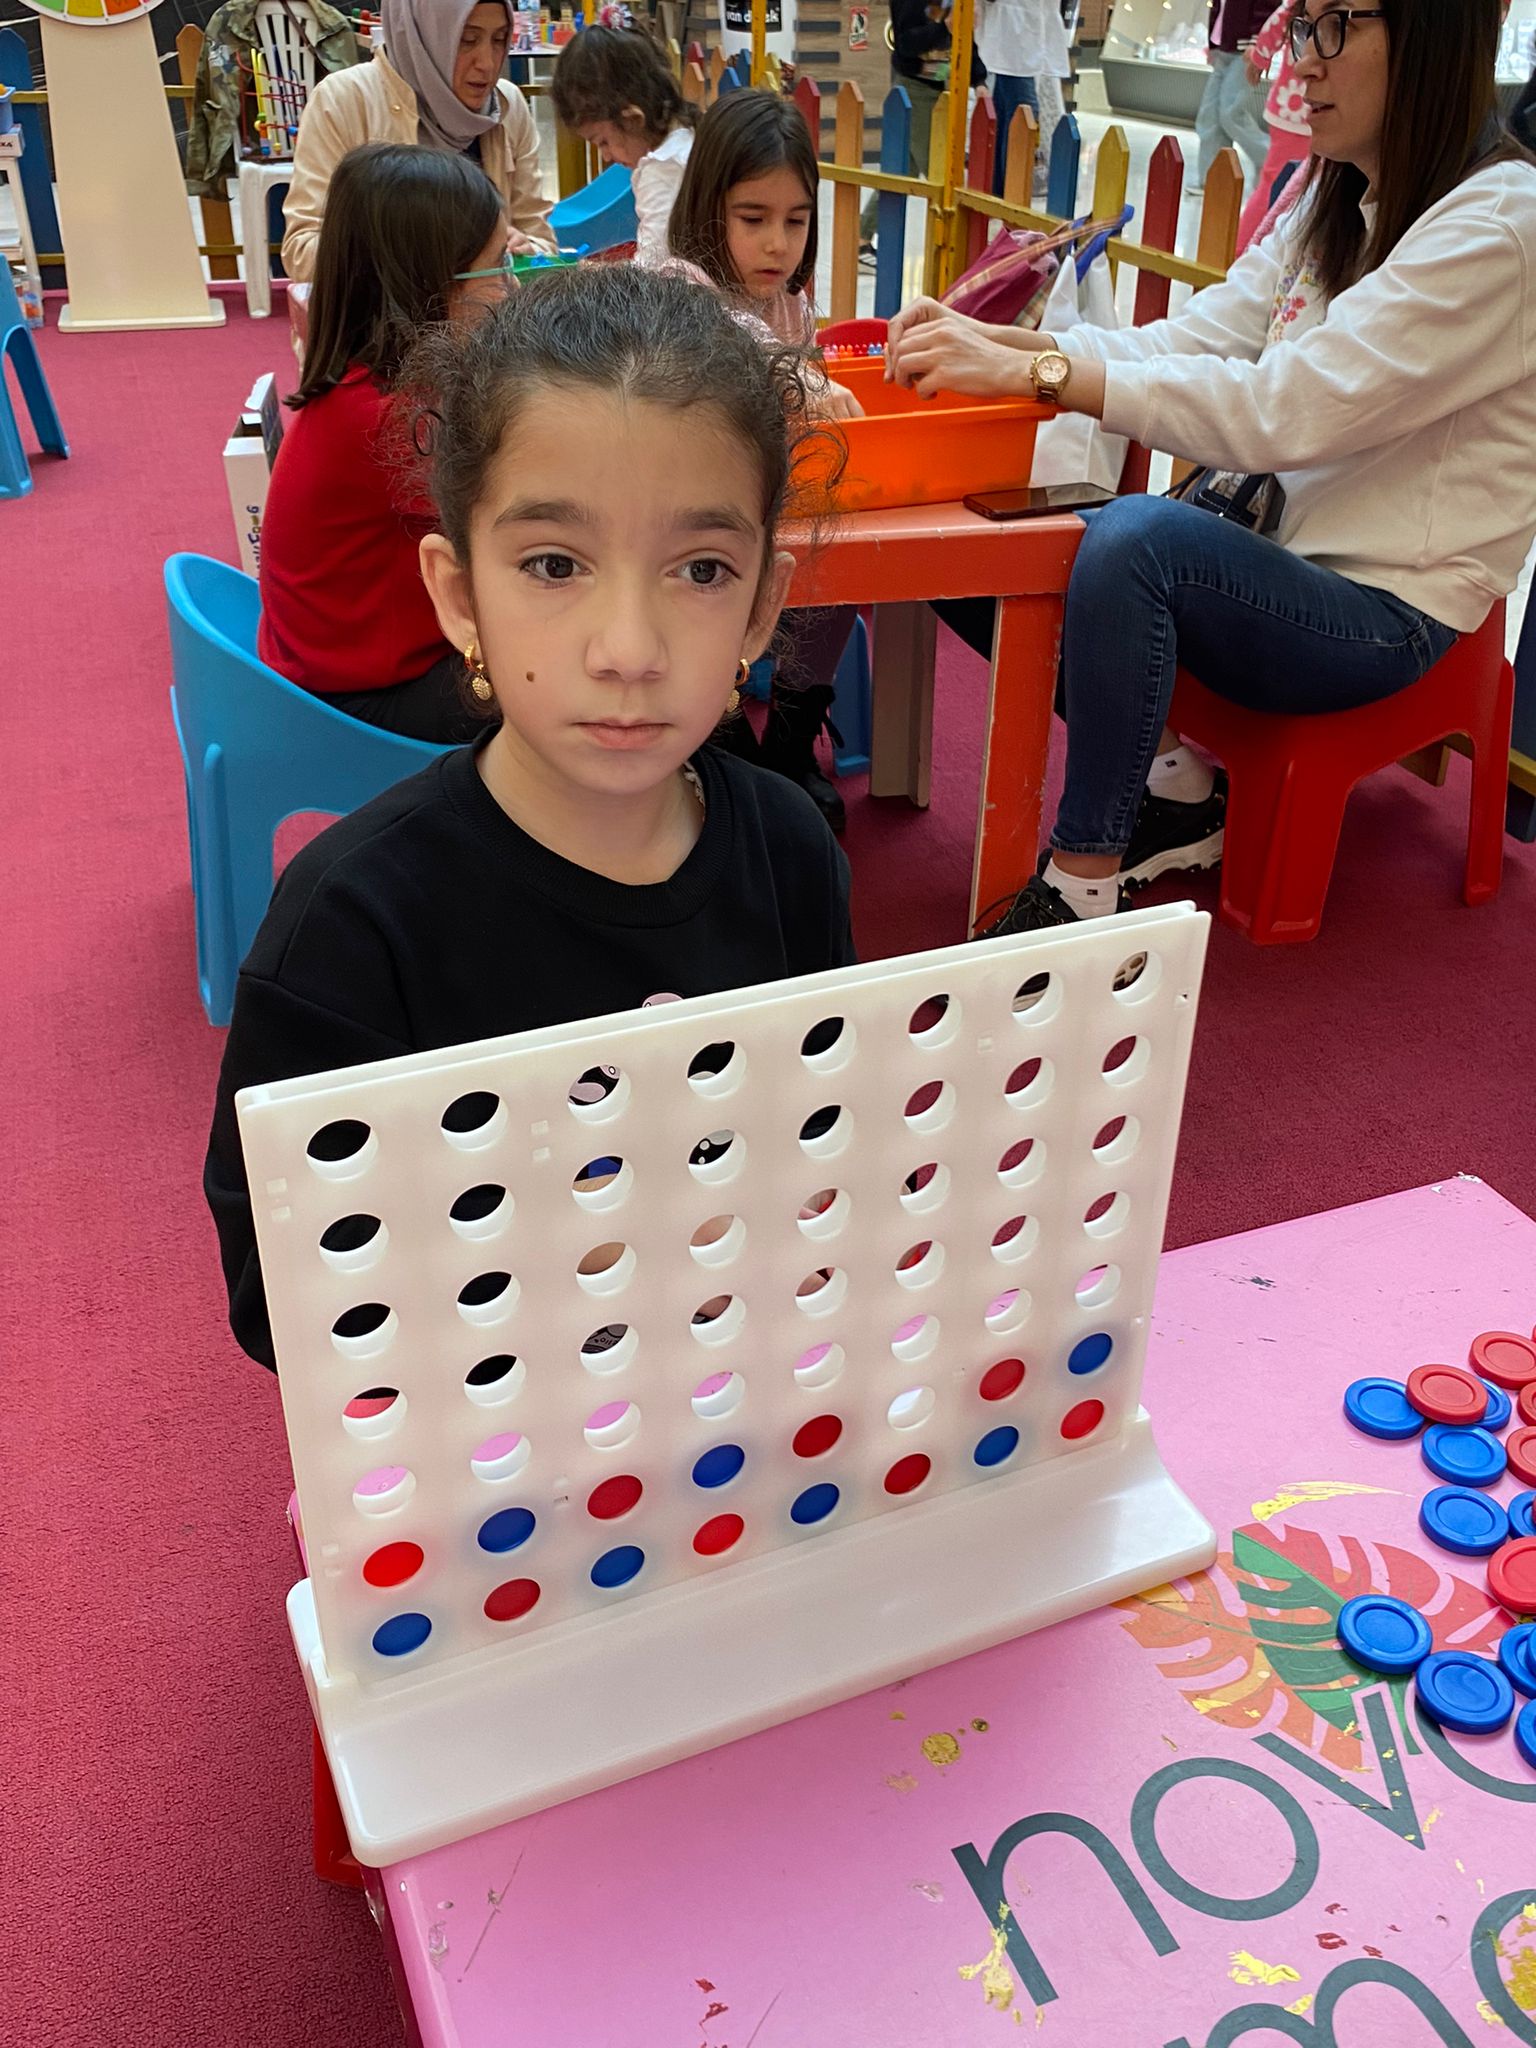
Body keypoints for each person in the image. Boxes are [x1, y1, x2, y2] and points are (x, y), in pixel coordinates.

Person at [206, 265, 854, 1368]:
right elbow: (283, 1299)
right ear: (461, 596)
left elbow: (832, 1136)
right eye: (554, 564)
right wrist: (589, 1259)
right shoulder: (352, 923)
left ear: (762, 607)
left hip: (738, 1398)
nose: (628, 649)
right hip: (492, 1430)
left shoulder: (791, 847)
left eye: (701, 570)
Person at [884, 0, 1536, 935]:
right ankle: (1176, 788)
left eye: (1332, 25)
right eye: (1298, 25)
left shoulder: (1501, 226)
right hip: (1276, 553)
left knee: (1138, 541)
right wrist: (1006, 343)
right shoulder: (1335, 189)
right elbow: (1194, 337)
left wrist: (1044, 374)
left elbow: (1283, 409)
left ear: (1431, 32)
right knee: (986, 528)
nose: (1297, 63)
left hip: (1386, 610)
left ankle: (1080, 891)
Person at [258, 144, 512, 743]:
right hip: (361, 699)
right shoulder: (390, 420)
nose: (507, 289)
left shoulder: (365, 387)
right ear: (431, 284)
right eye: (496, 268)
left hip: (339, 666)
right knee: (583, 690)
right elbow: (511, 515)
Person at [664, 88, 863, 830]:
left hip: (776, 514)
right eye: (753, 220)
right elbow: (728, 342)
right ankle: (717, 741)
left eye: (796, 221)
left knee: (841, 572)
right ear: (709, 209)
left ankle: (788, 737)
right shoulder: (681, 282)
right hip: (692, 530)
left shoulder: (791, 302)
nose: (778, 244)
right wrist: (805, 379)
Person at [281, 0, 553, 283]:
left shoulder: (507, 105)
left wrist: (524, 253)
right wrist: (421, 255)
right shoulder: (344, 100)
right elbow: (302, 252)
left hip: (489, 309)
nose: (487, 63)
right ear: (421, 36)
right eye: (467, 40)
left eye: (499, 40)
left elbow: (542, 242)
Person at [550, 24, 696, 267]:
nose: (605, 156)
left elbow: (653, 266)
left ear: (633, 119)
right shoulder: (685, 137)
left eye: (603, 142)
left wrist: (602, 274)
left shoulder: (663, 168)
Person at [861, 0, 988, 251]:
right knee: (941, 171)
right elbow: (906, 43)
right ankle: (956, 243)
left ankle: (861, 236)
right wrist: (944, 28)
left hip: (942, 89)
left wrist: (979, 79)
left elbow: (965, 41)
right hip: (916, 90)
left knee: (901, 173)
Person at [1236, 1, 1313, 250]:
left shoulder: (1297, 8)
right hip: (1296, 114)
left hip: (1293, 110)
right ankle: (1243, 247)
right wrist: (1259, 59)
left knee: (1283, 185)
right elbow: (1277, 23)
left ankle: (1248, 247)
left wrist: (1259, 59)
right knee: (1278, 186)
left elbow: (1275, 25)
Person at [975, 0, 1072, 196]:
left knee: (1007, 118)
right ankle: (1011, 196)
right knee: (1023, 119)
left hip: (1024, 35)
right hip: (1013, 37)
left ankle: (999, 195)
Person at [1190, 0, 1273, 195]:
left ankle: (1271, 159)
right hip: (1224, 47)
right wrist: (1212, 45)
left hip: (1245, 50)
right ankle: (1212, 179)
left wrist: (1257, 43)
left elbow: (1268, 7)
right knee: (1210, 115)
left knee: (1231, 112)